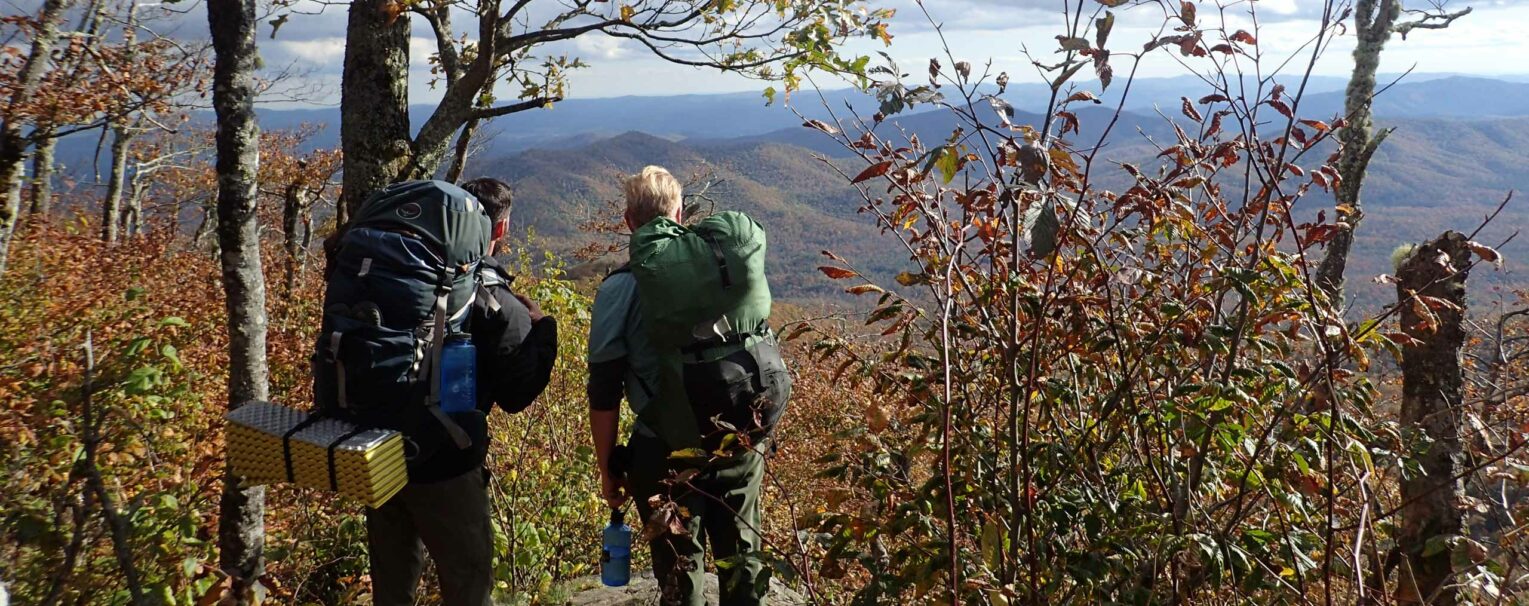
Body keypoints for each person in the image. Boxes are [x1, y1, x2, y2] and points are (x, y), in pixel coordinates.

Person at [364, 177, 559, 606]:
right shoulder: (492, 298)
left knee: (392, 590)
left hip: (375, 446)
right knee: (468, 585)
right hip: (445, 460)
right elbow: (516, 395)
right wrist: (545, 330)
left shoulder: (409, 272)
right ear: (501, 229)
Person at [587, 166, 773, 606]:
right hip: (737, 438)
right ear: (680, 214)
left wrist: (608, 470)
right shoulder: (721, 273)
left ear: (630, 223)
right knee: (742, 555)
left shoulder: (618, 290)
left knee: (677, 564)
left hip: (663, 447)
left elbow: (605, 391)